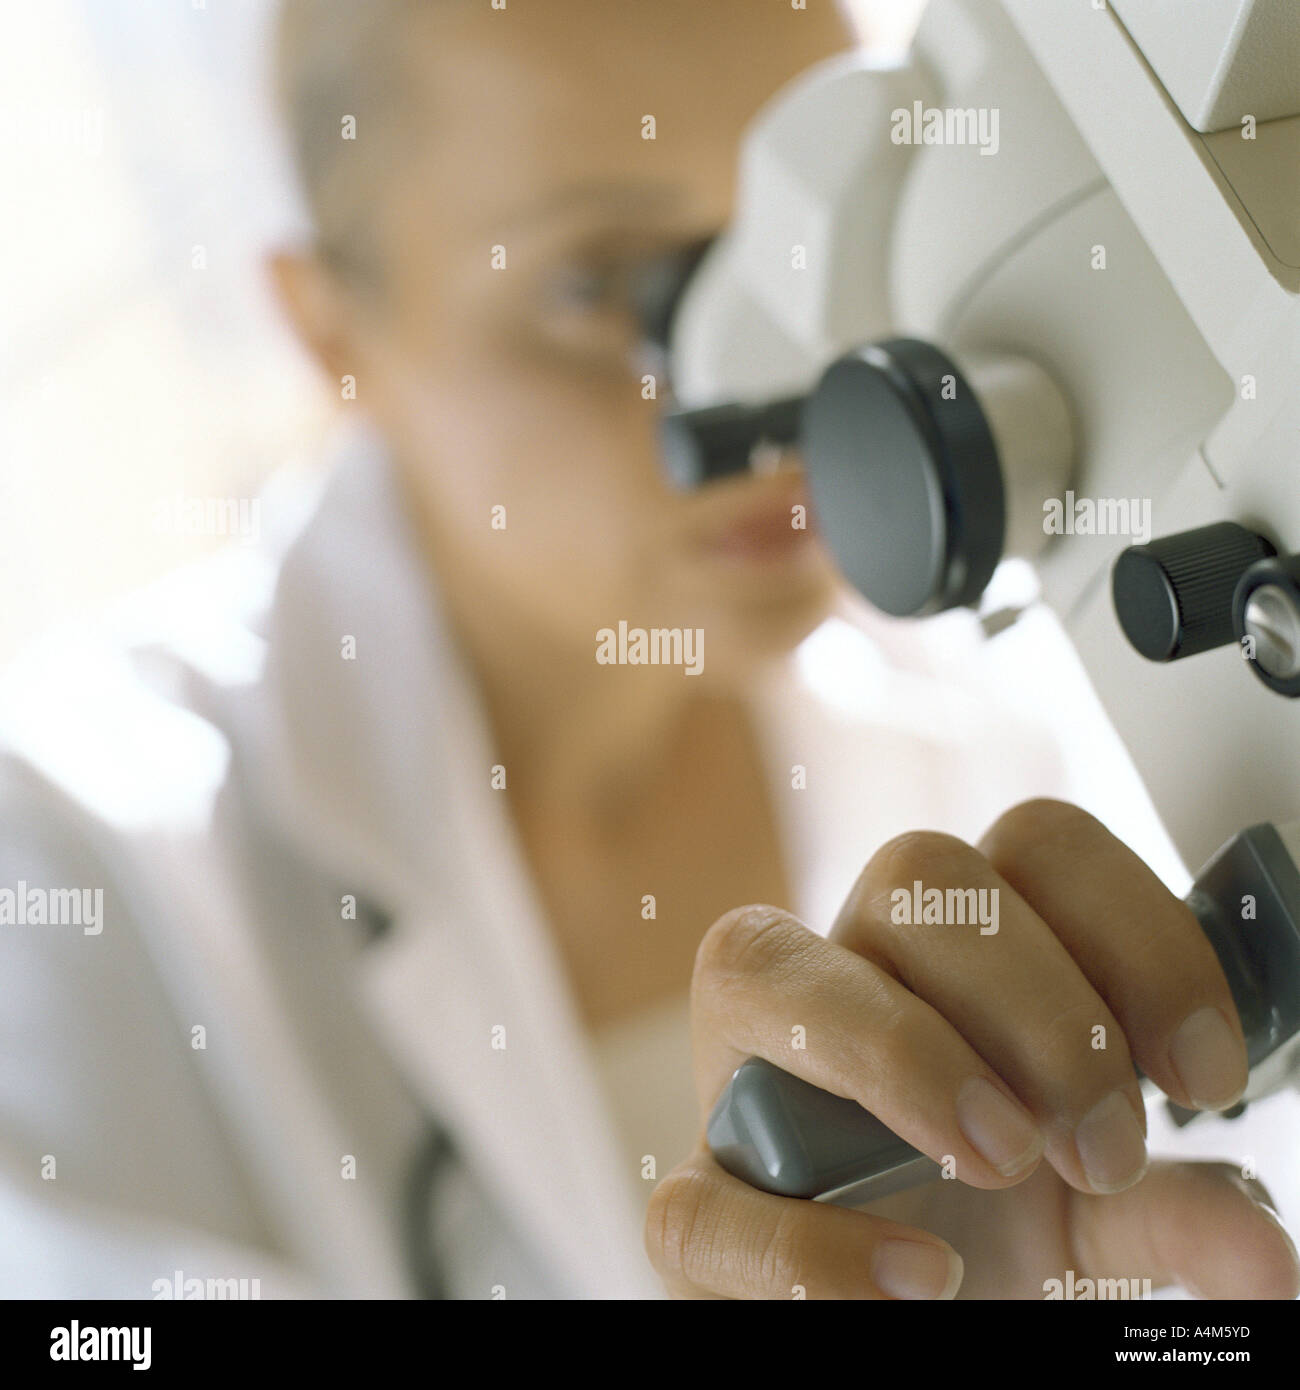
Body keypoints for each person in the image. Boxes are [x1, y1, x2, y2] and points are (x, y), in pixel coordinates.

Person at [0, 0, 1294, 1301]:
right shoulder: (70, 852)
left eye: (804, 237)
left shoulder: (1018, 713)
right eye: (603, 285)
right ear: (332, 330)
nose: (775, 390)